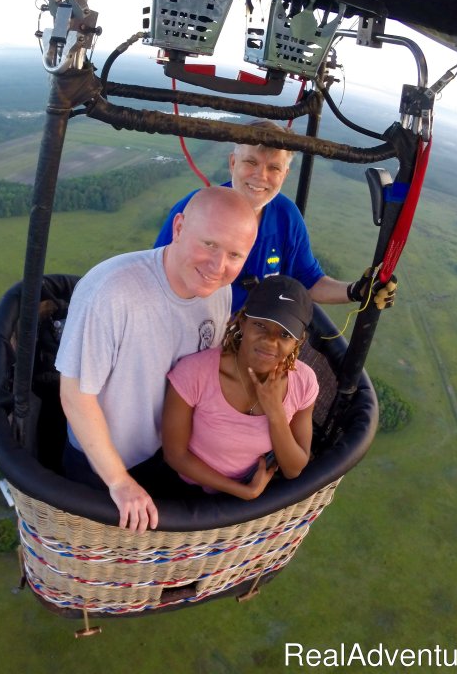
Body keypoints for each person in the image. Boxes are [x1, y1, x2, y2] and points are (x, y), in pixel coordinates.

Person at [55, 185, 259, 532]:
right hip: (100, 465)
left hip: (166, 453)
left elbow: (206, 374)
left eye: (235, 255)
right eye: (208, 244)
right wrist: (118, 481)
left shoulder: (219, 291)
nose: (217, 266)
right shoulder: (112, 291)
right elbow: (75, 394)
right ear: (178, 228)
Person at [154, 118, 396, 311]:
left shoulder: (286, 216)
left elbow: (309, 280)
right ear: (232, 163)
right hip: (193, 330)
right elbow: (160, 279)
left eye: (273, 168)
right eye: (251, 162)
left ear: (285, 174)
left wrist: (356, 291)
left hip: (251, 338)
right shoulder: (197, 208)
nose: (261, 176)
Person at [162, 275, 318, 500]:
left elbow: (294, 468)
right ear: (243, 322)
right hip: (188, 493)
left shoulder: (303, 382)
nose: (270, 341)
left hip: (250, 489)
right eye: (260, 325)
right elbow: (174, 455)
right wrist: (242, 491)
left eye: (285, 334)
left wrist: (275, 411)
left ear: (299, 341)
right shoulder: (195, 373)